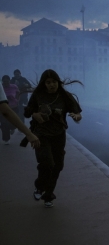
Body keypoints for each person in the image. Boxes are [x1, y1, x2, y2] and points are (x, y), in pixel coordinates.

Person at [24, 69, 82, 208]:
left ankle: (48, 194)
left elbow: (77, 113)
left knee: (58, 165)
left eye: (54, 82)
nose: (51, 85)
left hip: (59, 135)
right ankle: (39, 187)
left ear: (58, 82)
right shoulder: (38, 95)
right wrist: (35, 114)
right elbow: (27, 112)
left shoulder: (64, 96)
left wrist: (76, 117)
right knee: (47, 163)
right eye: (48, 82)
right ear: (44, 84)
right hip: (41, 135)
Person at [1, 75, 20, 143]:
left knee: (13, 122)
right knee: (3, 123)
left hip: (13, 107)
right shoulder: (1, 87)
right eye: (4, 81)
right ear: (2, 81)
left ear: (9, 81)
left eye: (7, 81)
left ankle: (12, 128)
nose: (6, 83)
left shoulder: (14, 86)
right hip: (3, 107)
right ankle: (6, 139)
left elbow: (18, 93)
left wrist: (17, 100)